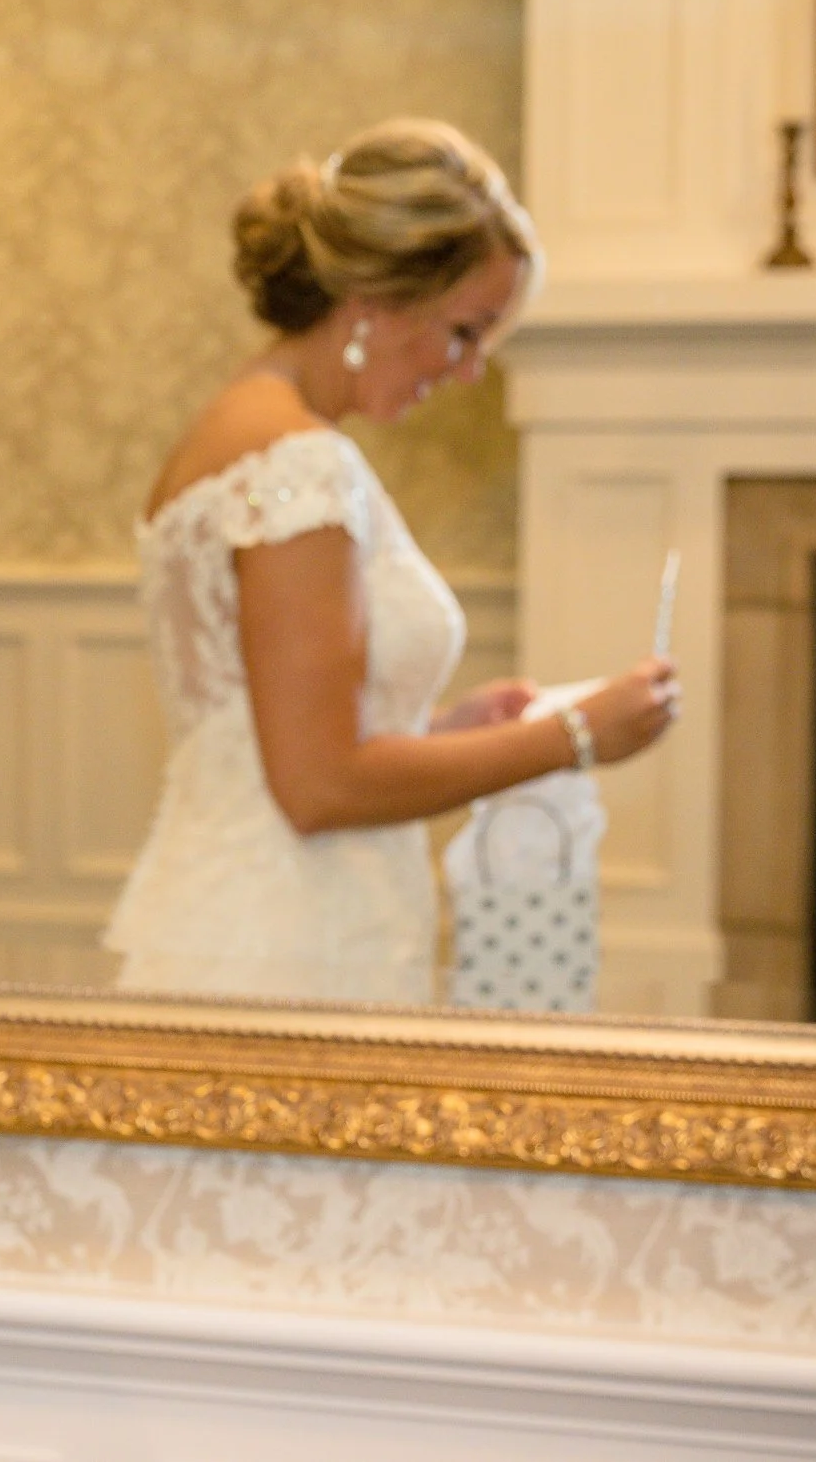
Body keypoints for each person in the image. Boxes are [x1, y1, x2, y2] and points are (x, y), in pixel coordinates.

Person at [106, 118, 678, 1004]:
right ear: (376, 301)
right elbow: (320, 786)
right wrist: (573, 737)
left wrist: (451, 729)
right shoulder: (297, 463)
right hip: (287, 945)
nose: (470, 369)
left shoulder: (250, 430)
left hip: (270, 916)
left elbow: (279, 742)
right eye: (466, 331)